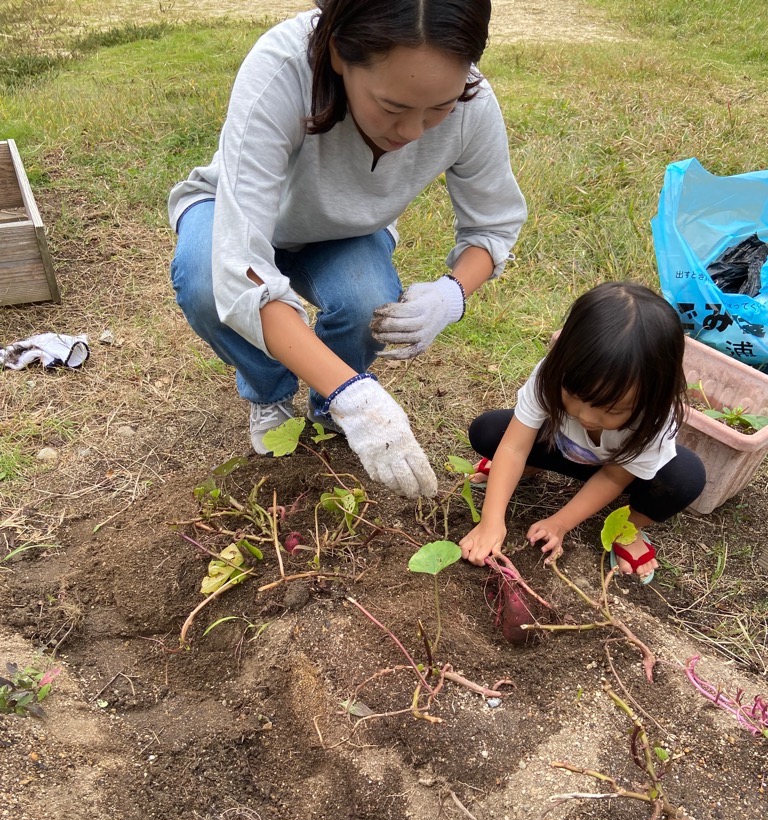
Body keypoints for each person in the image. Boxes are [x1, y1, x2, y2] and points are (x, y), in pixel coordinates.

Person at [169, 0, 526, 500]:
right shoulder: (284, 71)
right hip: (235, 219)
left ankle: (327, 406)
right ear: (339, 53)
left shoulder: (471, 103)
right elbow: (239, 267)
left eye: (438, 110)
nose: (412, 132)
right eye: (394, 107)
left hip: (343, 232)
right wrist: (357, 396)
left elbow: (493, 225)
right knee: (206, 283)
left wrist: (452, 293)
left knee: (367, 303)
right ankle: (273, 392)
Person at [459, 281, 706, 582]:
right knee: (489, 432)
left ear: (653, 396)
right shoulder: (551, 373)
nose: (586, 416)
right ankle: (529, 468)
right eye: (574, 395)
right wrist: (491, 520)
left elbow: (614, 476)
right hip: (560, 447)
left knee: (684, 479)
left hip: (619, 470)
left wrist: (560, 523)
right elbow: (513, 447)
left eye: (613, 410)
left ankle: (628, 527)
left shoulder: (655, 418)